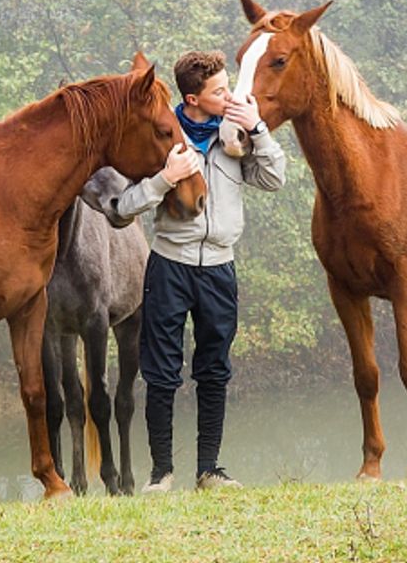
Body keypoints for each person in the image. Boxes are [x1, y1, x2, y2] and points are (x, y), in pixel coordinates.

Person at [115, 50, 286, 492]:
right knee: (160, 372)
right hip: (169, 267)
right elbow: (121, 209)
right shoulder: (160, 137)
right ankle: (161, 475)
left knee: (214, 369)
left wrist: (258, 129)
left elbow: (274, 179)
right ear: (192, 98)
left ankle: (209, 470)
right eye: (220, 91)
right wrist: (164, 178)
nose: (231, 96)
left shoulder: (236, 135)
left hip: (219, 269)